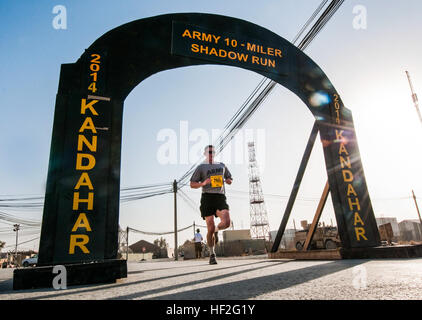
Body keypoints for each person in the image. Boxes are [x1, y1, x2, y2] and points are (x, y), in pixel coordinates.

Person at [190, 145, 232, 265]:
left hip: (220, 197)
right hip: (207, 197)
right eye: (208, 152)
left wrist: (229, 181)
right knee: (210, 227)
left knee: (227, 222)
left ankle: (217, 230)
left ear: (215, 153)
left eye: (212, 152)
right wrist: (203, 183)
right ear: (204, 153)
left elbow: (229, 178)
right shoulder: (201, 167)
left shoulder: (222, 165)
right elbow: (192, 184)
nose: (210, 153)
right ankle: (212, 254)